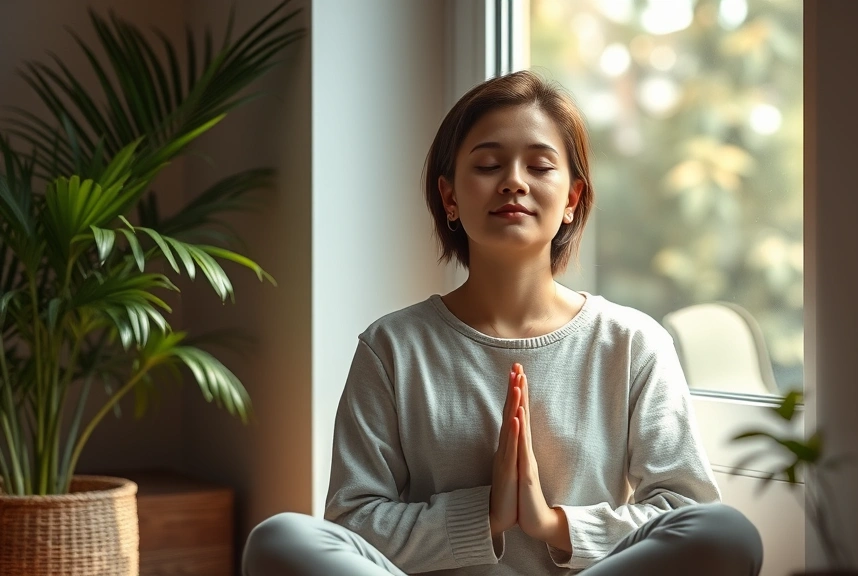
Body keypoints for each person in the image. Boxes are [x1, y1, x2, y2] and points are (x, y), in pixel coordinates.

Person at [242, 70, 763, 576]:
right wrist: (484, 515)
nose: (514, 181)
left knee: (726, 532)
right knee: (280, 538)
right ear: (450, 197)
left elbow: (683, 508)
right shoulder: (393, 347)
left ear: (572, 199)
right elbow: (352, 521)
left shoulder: (633, 343)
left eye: (540, 166)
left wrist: (551, 523)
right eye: (489, 165)